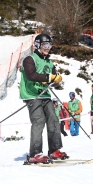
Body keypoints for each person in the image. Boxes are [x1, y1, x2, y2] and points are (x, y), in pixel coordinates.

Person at [19, 33, 68, 164]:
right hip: (32, 95)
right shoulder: (30, 59)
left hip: (45, 94)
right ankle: (35, 153)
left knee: (53, 119)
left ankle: (54, 150)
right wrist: (48, 78)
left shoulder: (49, 62)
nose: (48, 47)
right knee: (39, 121)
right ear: (38, 45)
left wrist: (56, 79)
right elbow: (31, 75)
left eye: (49, 45)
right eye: (45, 45)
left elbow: (53, 77)